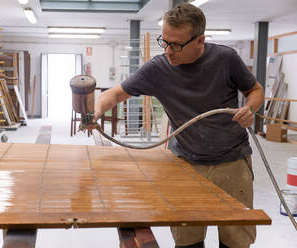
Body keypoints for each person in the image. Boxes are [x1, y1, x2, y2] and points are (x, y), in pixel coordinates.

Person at [92, 3, 264, 248]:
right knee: (187, 240)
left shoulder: (225, 59)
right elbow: (114, 94)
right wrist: (96, 111)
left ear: (200, 40)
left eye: (176, 44)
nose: (169, 51)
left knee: (236, 240)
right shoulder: (158, 68)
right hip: (185, 166)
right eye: (165, 42)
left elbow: (255, 90)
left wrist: (251, 108)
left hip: (232, 164)